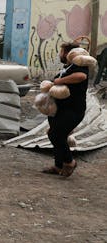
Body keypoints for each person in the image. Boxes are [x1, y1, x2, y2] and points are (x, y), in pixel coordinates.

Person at [42, 42, 89, 178]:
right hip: (58, 109)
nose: (59, 54)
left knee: (56, 135)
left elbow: (81, 77)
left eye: (61, 51)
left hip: (73, 110)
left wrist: (58, 82)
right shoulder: (68, 67)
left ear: (69, 53)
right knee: (56, 136)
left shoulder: (80, 66)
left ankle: (69, 162)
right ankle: (58, 166)